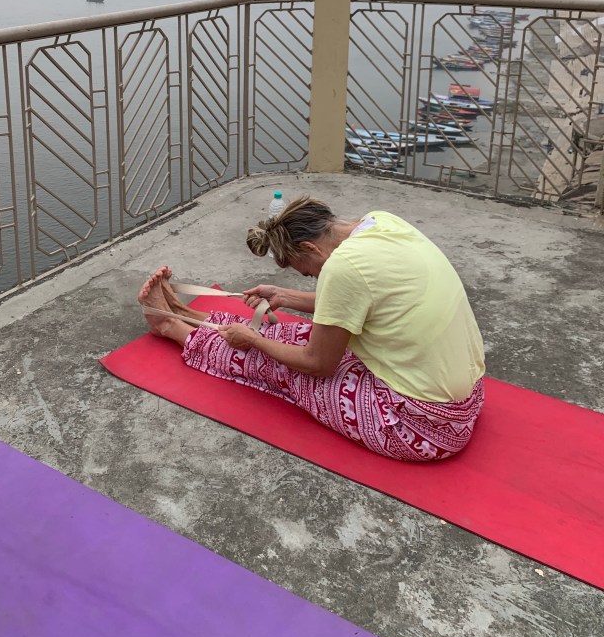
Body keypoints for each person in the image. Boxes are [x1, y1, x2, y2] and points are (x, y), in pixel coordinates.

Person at [138, 196, 485, 462]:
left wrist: (255, 340)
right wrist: (284, 296)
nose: (313, 278)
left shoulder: (343, 267)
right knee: (294, 335)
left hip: (421, 426)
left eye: (307, 273)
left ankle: (170, 325)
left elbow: (318, 363)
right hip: (463, 400)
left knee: (272, 360)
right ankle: (186, 314)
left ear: (309, 247)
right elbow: (364, 298)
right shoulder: (382, 223)